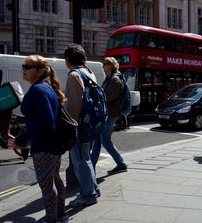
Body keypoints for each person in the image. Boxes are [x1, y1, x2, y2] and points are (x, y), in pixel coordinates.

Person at [8, 55, 69, 223]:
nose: (23, 69)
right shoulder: (46, 87)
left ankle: (52, 219)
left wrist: (20, 139)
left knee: (47, 187)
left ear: (40, 71)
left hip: (44, 146)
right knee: (55, 181)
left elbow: (46, 122)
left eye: (28, 66)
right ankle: (61, 215)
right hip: (54, 145)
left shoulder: (37, 90)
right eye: (23, 66)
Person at [64, 44, 99, 207]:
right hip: (91, 123)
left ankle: (87, 195)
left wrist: (69, 127)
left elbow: (74, 106)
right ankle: (93, 188)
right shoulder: (89, 72)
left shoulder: (74, 75)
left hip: (78, 125)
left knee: (80, 161)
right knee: (87, 158)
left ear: (68, 59)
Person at [91, 57, 128, 174]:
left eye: (106, 64)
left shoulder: (115, 79)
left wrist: (97, 96)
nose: (104, 66)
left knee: (105, 140)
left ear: (112, 65)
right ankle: (91, 167)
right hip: (105, 112)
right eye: (103, 64)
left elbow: (109, 97)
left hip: (111, 114)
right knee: (97, 140)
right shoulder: (109, 78)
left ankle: (121, 163)